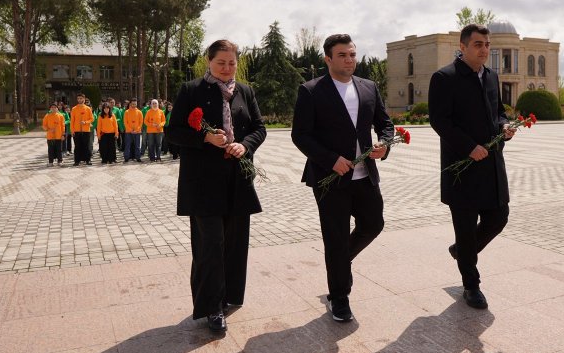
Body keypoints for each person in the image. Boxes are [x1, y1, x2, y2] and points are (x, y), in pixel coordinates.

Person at [291, 33, 394, 323]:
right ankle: (339, 297)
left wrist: (384, 145)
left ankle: (339, 261)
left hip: (365, 175)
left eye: (352, 54)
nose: (349, 60)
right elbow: (300, 135)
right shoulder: (311, 90)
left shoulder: (369, 87)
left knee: (373, 224)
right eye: (342, 55)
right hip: (330, 179)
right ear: (328, 59)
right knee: (335, 238)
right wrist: (330, 159)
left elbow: (385, 124)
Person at [167, 39, 267, 334]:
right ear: (208, 61)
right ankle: (211, 307)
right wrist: (205, 138)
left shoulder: (245, 91)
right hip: (203, 182)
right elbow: (172, 131)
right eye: (221, 62)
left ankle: (230, 296)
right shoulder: (191, 90)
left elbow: (259, 128)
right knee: (210, 244)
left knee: (235, 242)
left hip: (238, 180)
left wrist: (244, 146)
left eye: (232, 63)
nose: (226, 68)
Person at [428, 24, 517, 310]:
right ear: (463, 46)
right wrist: (469, 146)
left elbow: (498, 112)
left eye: (487, 44)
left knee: (499, 217)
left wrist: (504, 126)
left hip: (491, 165)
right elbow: (439, 121)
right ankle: (471, 285)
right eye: (478, 44)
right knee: (465, 229)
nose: (484, 49)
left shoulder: (491, 76)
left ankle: (462, 251)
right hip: (462, 168)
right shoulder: (444, 78)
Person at [70, 93, 93, 166]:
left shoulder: (88, 108)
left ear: (84, 99)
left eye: (81, 98)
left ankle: (88, 160)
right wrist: (72, 130)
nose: (80, 100)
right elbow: (72, 121)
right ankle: (77, 161)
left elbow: (92, 119)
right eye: (78, 99)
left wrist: (85, 122)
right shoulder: (74, 109)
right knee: (77, 146)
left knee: (86, 146)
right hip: (76, 131)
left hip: (86, 130)